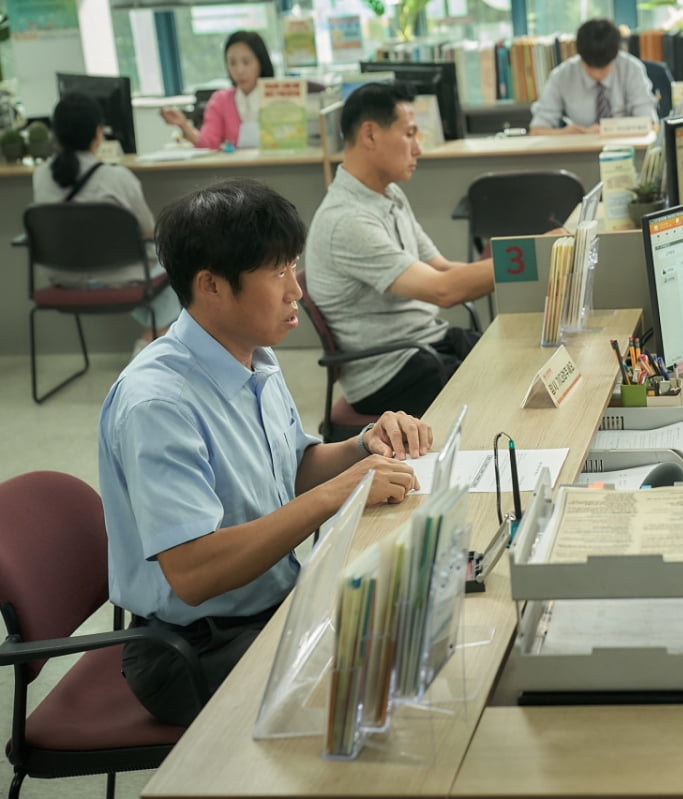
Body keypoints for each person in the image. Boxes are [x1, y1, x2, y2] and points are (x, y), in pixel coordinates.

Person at [99, 178, 432, 726]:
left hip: (271, 607)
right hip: (191, 649)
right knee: (383, 685)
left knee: (412, 620)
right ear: (210, 285)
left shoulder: (253, 357)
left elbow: (292, 469)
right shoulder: (157, 403)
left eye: (292, 267)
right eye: (276, 272)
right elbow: (195, 572)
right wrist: (336, 495)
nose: (296, 289)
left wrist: (363, 445)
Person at [305, 82, 494, 417]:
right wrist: (531, 261)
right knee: (501, 391)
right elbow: (444, 291)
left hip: (426, 344)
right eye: (409, 134)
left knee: (511, 359)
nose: (417, 148)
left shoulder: (389, 195)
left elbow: (442, 270)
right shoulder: (347, 221)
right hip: (389, 372)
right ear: (370, 135)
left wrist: (527, 256)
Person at [33, 92, 180, 352]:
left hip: (64, 276)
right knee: (180, 266)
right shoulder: (118, 178)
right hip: (120, 275)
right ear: (98, 133)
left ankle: (152, 342)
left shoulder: (40, 176)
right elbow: (149, 230)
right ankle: (149, 344)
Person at [529, 18, 658, 135]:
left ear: (616, 55)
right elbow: (536, 130)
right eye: (590, 67)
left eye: (604, 68)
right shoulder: (561, 76)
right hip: (580, 153)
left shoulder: (632, 70)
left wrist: (608, 130)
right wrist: (564, 133)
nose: (597, 74)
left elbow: (650, 124)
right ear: (580, 56)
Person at [161, 30, 274, 150]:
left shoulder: (278, 96)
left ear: (261, 62)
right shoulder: (221, 100)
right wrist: (183, 125)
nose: (239, 70)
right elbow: (208, 143)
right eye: (232, 63)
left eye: (246, 62)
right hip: (236, 167)